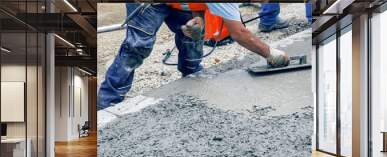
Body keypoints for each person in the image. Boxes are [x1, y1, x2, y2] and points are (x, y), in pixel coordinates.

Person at [98, 3, 289, 110]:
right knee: (138, 46)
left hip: (178, 5)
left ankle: (192, 81)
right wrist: (270, 53)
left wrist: (197, 16)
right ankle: (108, 101)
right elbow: (239, 33)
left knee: (193, 35)